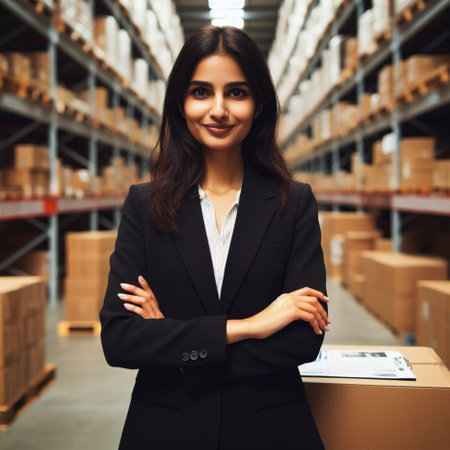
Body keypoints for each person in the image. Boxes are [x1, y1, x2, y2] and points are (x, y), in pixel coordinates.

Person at [100, 25, 330, 450]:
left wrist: (174, 339)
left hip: (270, 429)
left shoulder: (293, 203)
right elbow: (120, 340)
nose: (219, 110)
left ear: (259, 104)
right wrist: (252, 326)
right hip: (166, 428)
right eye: (201, 92)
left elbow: (303, 338)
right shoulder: (144, 204)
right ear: (181, 104)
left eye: (237, 93)